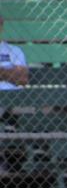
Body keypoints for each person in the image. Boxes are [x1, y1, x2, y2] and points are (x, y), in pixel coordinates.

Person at [0, 13, 29, 172]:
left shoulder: (13, 50)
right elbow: (16, 76)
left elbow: (23, 78)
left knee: (30, 110)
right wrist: (9, 73)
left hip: (16, 100)